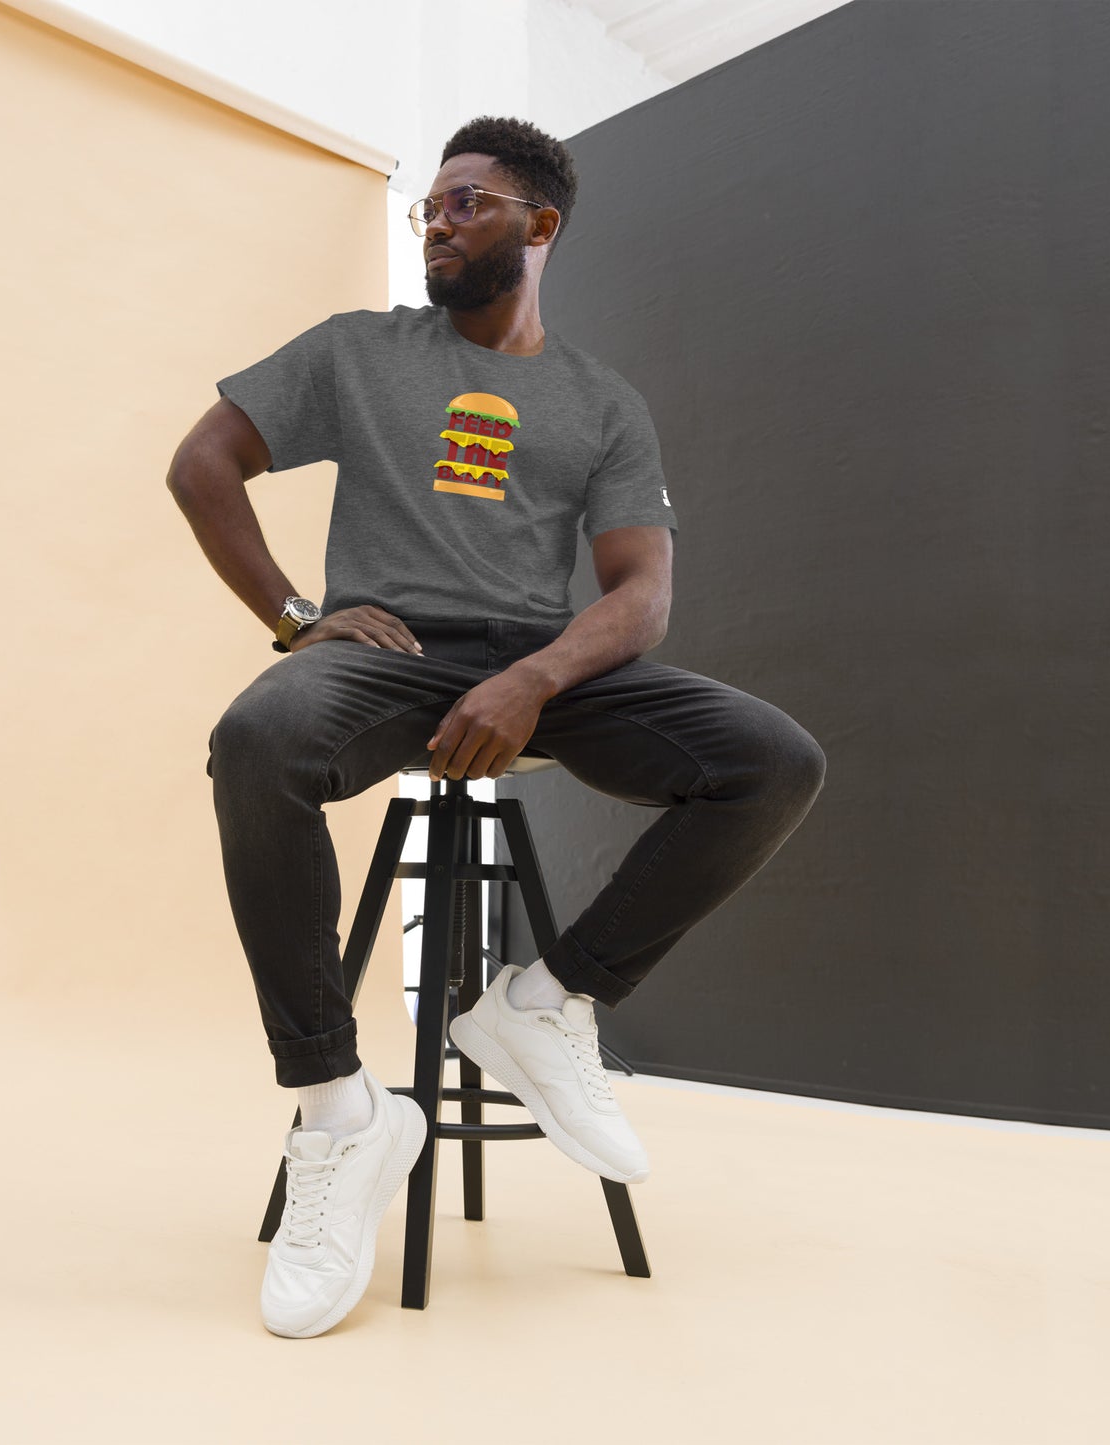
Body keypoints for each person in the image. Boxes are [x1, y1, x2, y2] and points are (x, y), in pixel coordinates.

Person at [167, 115, 826, 1338]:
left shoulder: (600, 404)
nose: (436, 221)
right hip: (388, 659)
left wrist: (534, 679)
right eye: (427, 206)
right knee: (255, 743)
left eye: (464, 203)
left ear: (539, 223)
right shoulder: (358, 352)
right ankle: (338, 1111)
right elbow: (201, 461)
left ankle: (543, 1001)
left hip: (541, 666)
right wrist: (300, 616)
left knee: (771, 760)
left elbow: (640, 594)